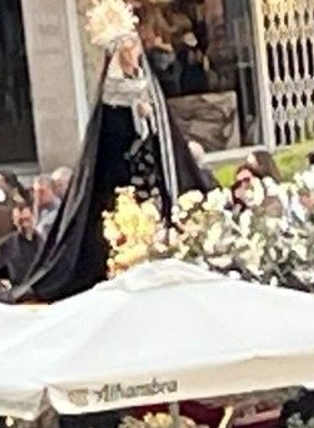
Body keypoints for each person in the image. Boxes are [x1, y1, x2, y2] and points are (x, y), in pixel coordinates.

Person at [11, 4, 211, 304]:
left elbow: (162, 135)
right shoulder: (114, 94)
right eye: (127, 47)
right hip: (124, 181)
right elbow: (114, 141)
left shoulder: (147, 85)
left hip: (151, 177)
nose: (134, 52)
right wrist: (137, 117)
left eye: (134, 45)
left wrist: (149, 121)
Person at [0, 199, 41, 287]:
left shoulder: (47, 243)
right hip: (17, 291)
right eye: (20, 221)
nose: (24, 225)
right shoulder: (4, 246)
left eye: (27, 220)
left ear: (35, 217)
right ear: (14, 221)